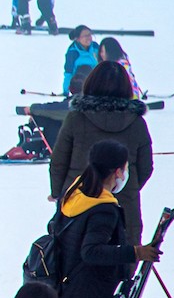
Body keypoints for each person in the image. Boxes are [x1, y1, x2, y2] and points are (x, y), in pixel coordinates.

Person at [49, 139, 160, 298]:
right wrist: (136, 252)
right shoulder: (103, 209)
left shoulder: (76, 191)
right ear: (118, 172)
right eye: (126, 168)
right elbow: (91, 251)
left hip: (66, 289)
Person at [49, 61, 153, 245]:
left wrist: (59, 193)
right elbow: (146, 167)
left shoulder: (76, 118)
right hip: (123, 205)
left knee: (73, 258)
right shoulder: (137, 123)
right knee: (121, 259)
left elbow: (59, 161)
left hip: (76, 202)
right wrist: (125, 188)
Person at [7, 66, 92, 161]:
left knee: (46, 120)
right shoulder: (88, 102)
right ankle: (31, 145)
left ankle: (29, 147)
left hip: (78, 147)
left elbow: (52, 109)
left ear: (70, 88)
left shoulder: (77, 104)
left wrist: (32, 110)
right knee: (53, 120)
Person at [61, 25, 99, 94]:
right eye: (85, 36)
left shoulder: (95, 47)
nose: (89, 38)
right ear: (78, 39)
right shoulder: (72, 52)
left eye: (89, 35)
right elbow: (68, 72)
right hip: (79, 84)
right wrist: (65, 91)